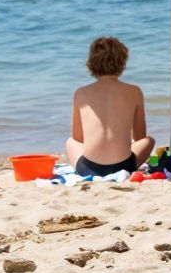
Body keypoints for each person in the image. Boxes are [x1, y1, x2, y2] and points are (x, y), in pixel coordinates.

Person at [66, 36, 154, 176]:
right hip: (125, 166)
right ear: (122, 62)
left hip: (88, 169)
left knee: (70, 142)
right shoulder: (134, 91)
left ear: (92, 63)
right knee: (149, 141)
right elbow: (140, 137)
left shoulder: (80, 93)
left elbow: (78, 138)